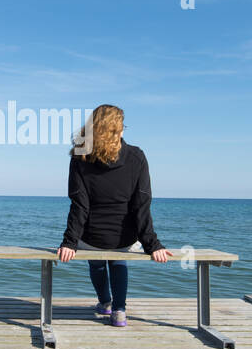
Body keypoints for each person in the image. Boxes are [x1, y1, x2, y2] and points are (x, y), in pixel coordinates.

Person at [57, 104, 171, 326]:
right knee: (119, 260)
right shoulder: (137, 156)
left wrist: (69, 243)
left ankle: (105, 303)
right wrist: (152, 245)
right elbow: (142, 204)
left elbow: (79, 205)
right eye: (121, 126)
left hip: (91, 238)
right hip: (124, 237)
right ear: (115, 130)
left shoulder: (80, 156)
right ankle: (120, 311)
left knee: (96, 263)